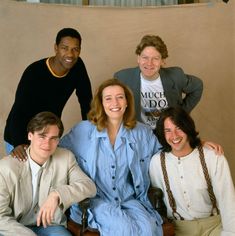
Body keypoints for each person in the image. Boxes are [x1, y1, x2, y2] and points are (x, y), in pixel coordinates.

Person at [59, 78, 163, 236]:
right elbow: (56, 151)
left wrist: (196, 143)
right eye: (108, 98)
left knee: (149, 228)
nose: (115, 102)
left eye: (120, 97)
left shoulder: (141, 132)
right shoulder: (83, 130)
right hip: (96, 200)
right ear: (101, 104)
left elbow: (164, 154)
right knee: (123, 228)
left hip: (129, 198)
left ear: (127, 102)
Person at [0, 111, 97, 236]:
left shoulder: (65, 158)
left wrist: (57, 194)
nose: (47, 143)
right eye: (42, 136)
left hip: (50, 226)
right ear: (30, 136)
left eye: (53, 138)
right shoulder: (6, 168)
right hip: (15, 227)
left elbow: (89, 186)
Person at [4, 27, 92, 160]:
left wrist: (92, 131)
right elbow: (19, 110)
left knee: (47, 179)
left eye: (75, 49)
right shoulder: (34, 72)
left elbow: (86, 101)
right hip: (20, 137)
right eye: (65, 48)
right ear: (56, 48)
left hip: (48, 137)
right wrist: (18, 143)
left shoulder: (77, 67)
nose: (70, 54)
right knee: (24, 179)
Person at [149, 107, 235, 236]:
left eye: (179, 128)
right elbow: (159, 205)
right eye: (168, 130)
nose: (174, 136)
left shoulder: (213, 157)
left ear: (187, 128)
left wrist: (230, 233)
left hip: (215, 227)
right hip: (179, 230)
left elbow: (227, 201)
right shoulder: (157, 162)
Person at [114, 34, 203, 130]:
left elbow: (197, 86)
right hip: (139, 135)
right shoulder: (122, 78)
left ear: (163, 61)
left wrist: (180, 113)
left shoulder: (175, 76)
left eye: (155, 58)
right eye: (145, 57)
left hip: (167, 134)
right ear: (138, 58)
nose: (149, 63)